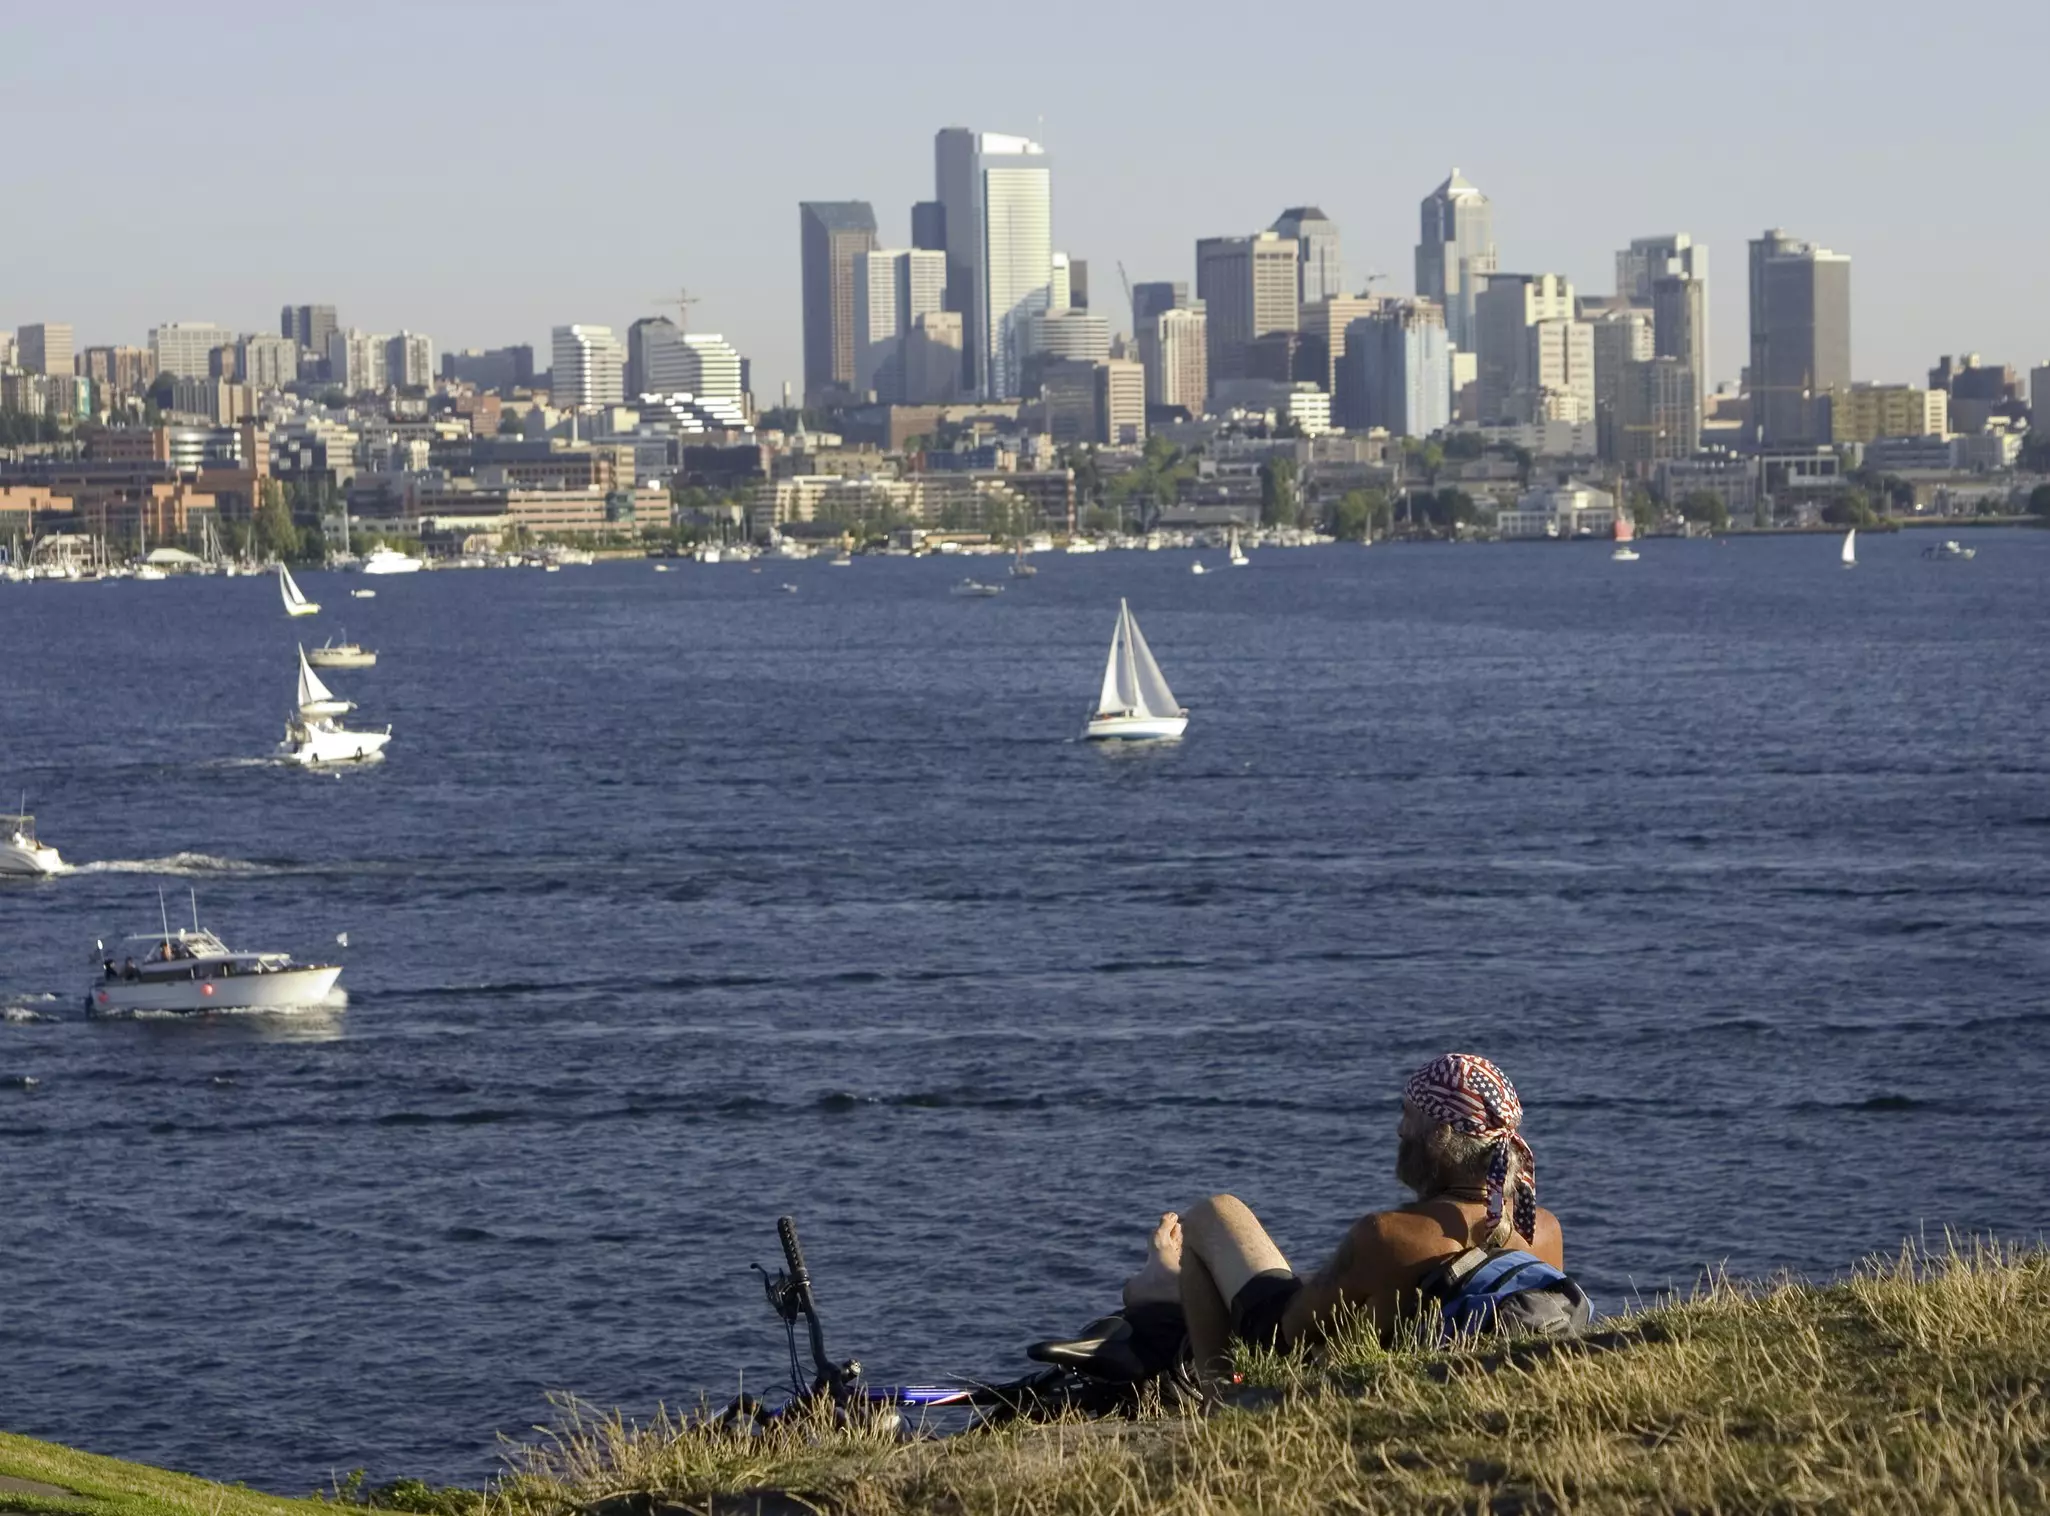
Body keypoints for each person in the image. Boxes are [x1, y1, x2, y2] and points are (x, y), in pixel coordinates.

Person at [1119, 1053, 1565, 1376]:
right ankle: (1166, 1287)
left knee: (1211, 1214)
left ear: (1442, 1136)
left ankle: (1218, 1394)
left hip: (1314, 1362)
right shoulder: (1542, 1229)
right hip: (1424, 1367)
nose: (1399, 1130)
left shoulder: (1388, 1236)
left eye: (1409, 1116)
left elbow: (1290, 1333)